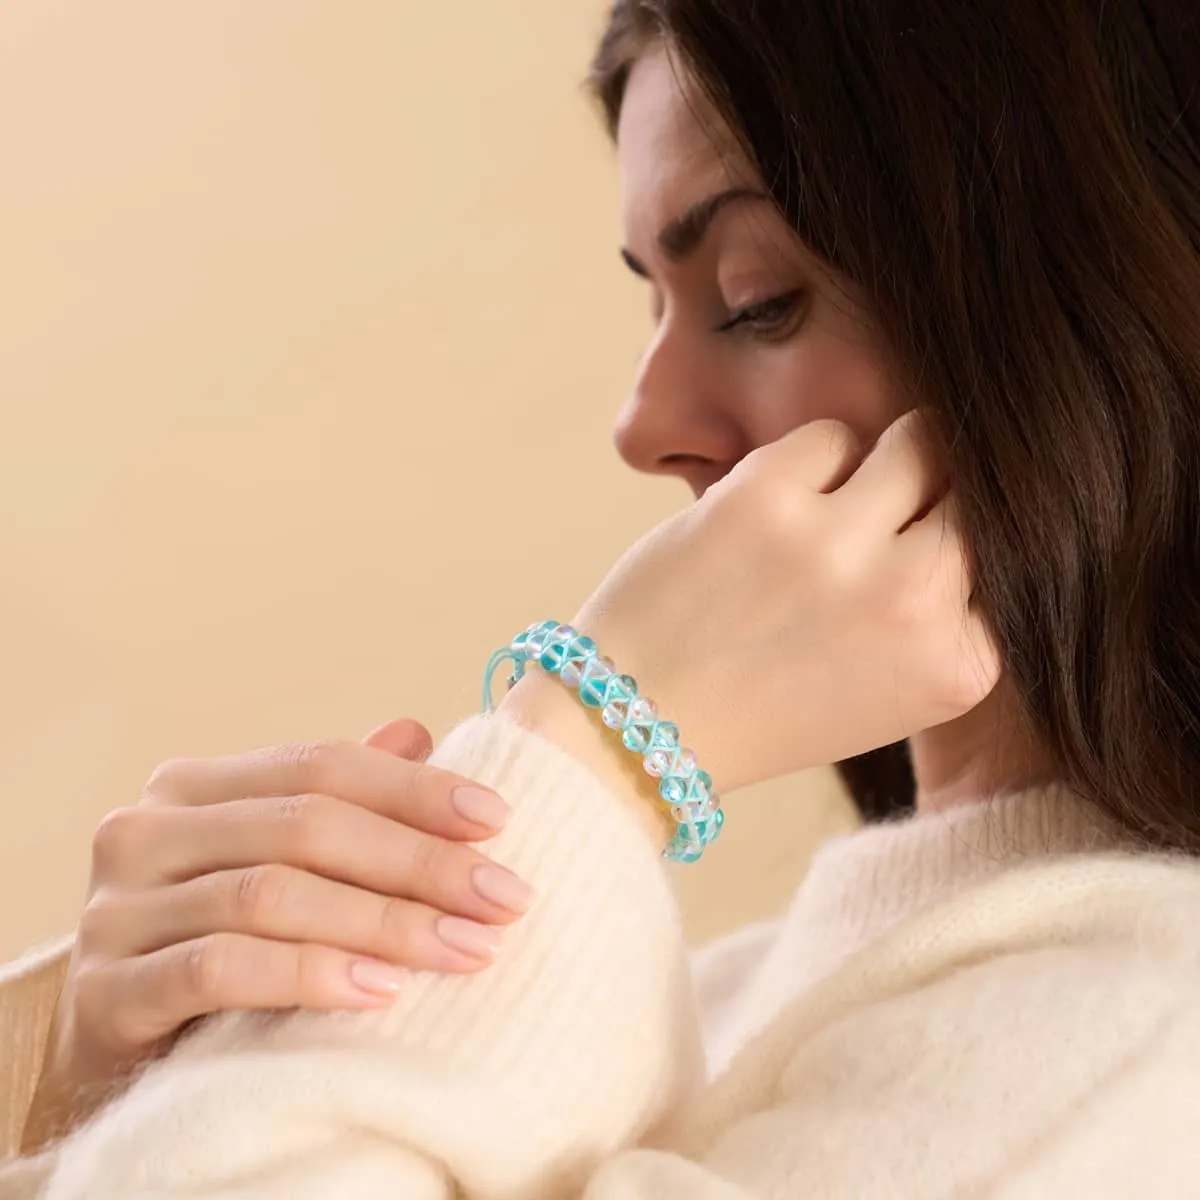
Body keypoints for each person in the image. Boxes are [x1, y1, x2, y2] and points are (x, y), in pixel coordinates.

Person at [3, 0, 1200, 1193]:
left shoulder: (1138, 1042)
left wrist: (597, 733)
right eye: (654, 304)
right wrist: (112, 1086)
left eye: (755, 297)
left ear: (1084, 314)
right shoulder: (720, 1008)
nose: (641, 425)